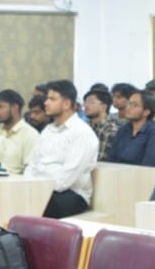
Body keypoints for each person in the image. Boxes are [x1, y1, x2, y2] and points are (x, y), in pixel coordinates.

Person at [26, 80, 100, 218]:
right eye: (47, 98)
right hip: (42, 188)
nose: (46, 103)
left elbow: (65, 180)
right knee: (14, 195)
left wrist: (39, 182)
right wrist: (29, 185)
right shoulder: (48, 130)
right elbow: (32, 165)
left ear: (66, 104)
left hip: (72, 194)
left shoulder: (82, 133)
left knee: (39, 205)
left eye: (52, 99)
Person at [107, 89, 155, 199]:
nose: (128, 107)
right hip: (122, 179)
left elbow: (149, 168)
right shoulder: (123, 130)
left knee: (144, 187)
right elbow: (112, 160)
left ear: (146, 112)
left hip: (149, 184)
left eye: (134, 105)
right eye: (128, 103)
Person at [0, 89, 39, 174]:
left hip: (18, 182)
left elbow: (30, 171)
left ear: (15, 108)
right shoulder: (0, 132)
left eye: (0, 107)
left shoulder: (30, 135)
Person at [82, 87, 119, 161]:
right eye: (85, 102)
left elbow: (102, 159)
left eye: (91, 102)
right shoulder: (84, 127)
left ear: (103, 107)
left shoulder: (110, 129)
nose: (86, 106)